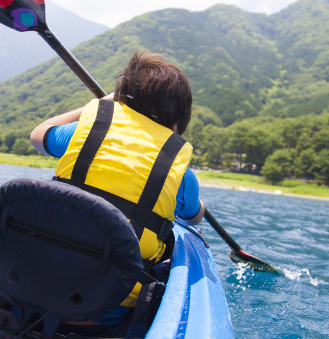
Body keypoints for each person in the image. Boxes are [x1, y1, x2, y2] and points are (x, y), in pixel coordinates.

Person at [29, 50, 205, 325]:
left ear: (119, 102)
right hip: (107, 310)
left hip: (34, 284)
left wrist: (100, 104)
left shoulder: (85, 133)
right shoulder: (181, 175)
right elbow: (193, 216)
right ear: (176, 123)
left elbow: (38, 134)